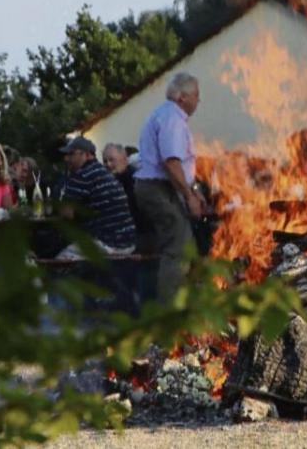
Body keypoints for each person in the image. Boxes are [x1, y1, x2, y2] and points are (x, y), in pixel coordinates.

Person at [135, 72, 204, 303]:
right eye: (196, 95)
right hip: (157, 188)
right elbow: (171, 162)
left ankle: (190, 309)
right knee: (178, 248)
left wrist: (193, 191)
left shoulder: (165, 115)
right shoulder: (172, 119)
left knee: (187, 246)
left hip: (160, 187)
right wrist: (189, 196)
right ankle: (170, 319)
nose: (198, 100)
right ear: (183, 97)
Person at [56, 136, 136, 260]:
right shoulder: (103, 172)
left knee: (60, 261)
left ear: (86, 155)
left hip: (108, 244)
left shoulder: (83, 175)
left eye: (71, 154)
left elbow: (67, 214)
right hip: (128, 242)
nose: (67, 158)